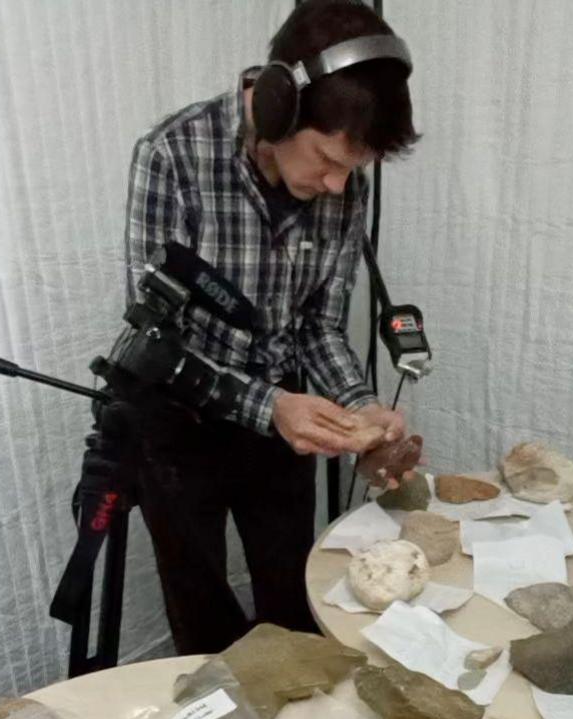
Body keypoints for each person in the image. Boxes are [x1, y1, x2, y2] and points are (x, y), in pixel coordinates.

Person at [124, 0, 420, 655]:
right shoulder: (173, 156)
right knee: (204, 624)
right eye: (327, 159)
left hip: (283, 421)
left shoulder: (342, 188)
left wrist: (358, 405)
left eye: (355, 169)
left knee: (297, 606)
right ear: (279, 103)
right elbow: (153, 341)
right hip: (180, 422)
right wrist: (268, 406)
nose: (340, 187)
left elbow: (318, 325)